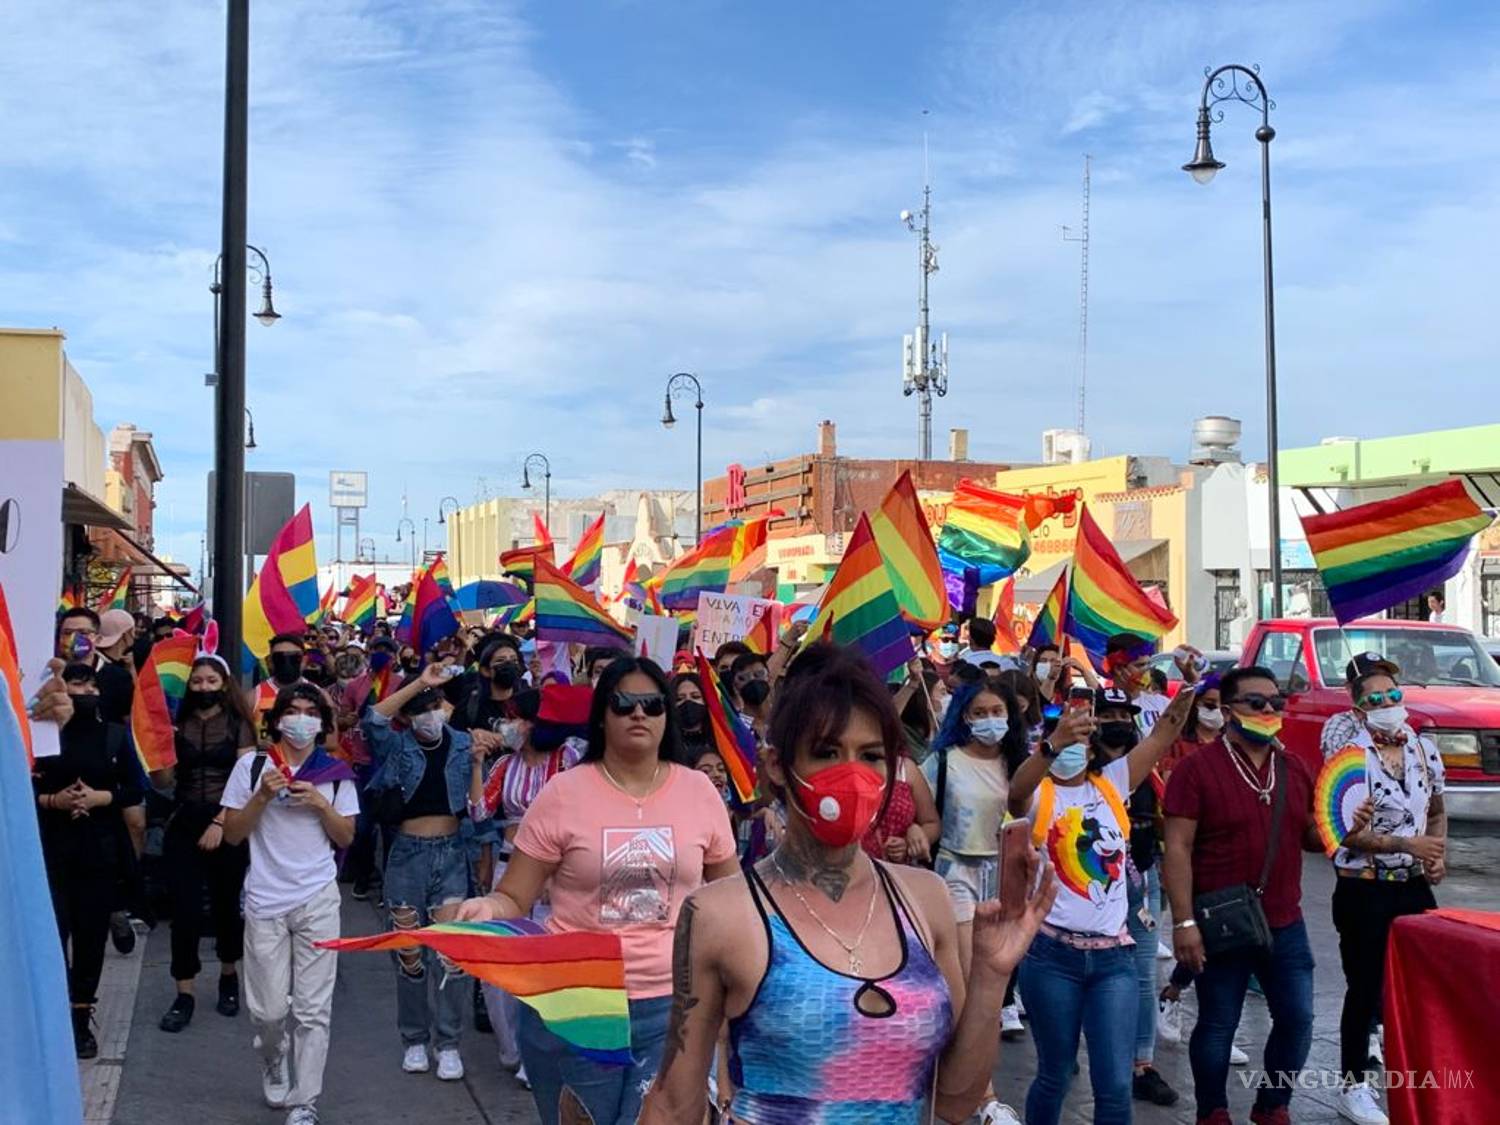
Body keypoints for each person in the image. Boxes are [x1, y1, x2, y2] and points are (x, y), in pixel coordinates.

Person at [638, 642, 1058, 1125]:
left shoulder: (926, 899)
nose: (852, 775)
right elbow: (676, 1100)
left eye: (871, 755)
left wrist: (991, 975)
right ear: (778, 765)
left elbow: (957, 1100)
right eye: (826, 752)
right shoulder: (718, 914)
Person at [455, 656, 739, 1125]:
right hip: (576, 1006)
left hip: (676, 1007)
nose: (638, 714)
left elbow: (729, 900)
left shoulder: (700, 791)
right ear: (602, 715)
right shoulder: (563, 793)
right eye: (623, 703)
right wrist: (484, 908)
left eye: (651, 703)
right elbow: (514, 897)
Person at [1004, 683, 1192, 1125]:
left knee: (1113, 1087)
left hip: (1114, 961)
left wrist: (1183, 701)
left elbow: (1161, 736)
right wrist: (1054, 743)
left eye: (1080, 742)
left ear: (1092, 752)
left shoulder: (1112, 783)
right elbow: (1015, 791)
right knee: (1053, 1075)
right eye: (1064, 742)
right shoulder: (1039, 795)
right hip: (1052, 957)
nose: (1074, 749)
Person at [1163, 666, 1320, 1125]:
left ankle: (1272, 1106)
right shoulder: (1196, 770)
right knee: (1216, 1024)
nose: (1270, 709)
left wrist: (1344, 822)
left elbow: (1309, 836)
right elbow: (1177, 848)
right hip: (1220, 922)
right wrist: (1184, 922)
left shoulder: (1293, 768)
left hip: (1285, 922)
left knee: (1297, 1019)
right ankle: (1213, 1111)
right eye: (1257, 702)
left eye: (1277, 701)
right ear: (1229, 710)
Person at [222, 684, 358, 1125]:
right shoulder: (252, 766)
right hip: (265, 897)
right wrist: (262, 795)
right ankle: (272, 1056)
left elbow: (346, 837)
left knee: (313, 1008)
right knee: (269, 1011)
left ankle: (305, 1101)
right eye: (293, 712)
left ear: (322, 723)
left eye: (310, 713)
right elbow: (233, 834)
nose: (301, 721)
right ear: (277, 719)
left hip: (317, 896)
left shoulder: (334, 772)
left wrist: (320, 804)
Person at [1324, 654, 1445, 1125]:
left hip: (1412, 886)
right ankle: (1353, 1087)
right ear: (1359, 709)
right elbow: (1341, 831)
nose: (1388, 703)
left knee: (1422, 986)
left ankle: (1417, 1077)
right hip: (1364, 887)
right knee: (1364, 988)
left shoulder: (1422, 748)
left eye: (1393, 695)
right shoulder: (1350, 757)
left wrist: (1436, 853)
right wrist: (1403, 843)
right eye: (1376, 698)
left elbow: (1435, 808)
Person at [364, 664, 488, 1081]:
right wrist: (420, 683)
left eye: (435, 706)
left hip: (452, 854)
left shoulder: (463, 744)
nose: (429, 714)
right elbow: (373, 719)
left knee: (452, 955)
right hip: (407, 856)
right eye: (420, 709)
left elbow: (479, 809)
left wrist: (475, 765)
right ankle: (415, 1039)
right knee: (409, 954)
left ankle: (448, 1043)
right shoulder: (396, 746)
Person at [468, 682, 589, 1087]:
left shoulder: (567, 759)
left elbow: (578, 813)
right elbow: (480, 811)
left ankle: (540, 1053)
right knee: (497, 966)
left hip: (555, 874)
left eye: (518, 718)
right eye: (508, 719)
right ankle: (512, 1048)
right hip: (508, 868)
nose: (509, 725)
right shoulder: (505, 766)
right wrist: (476, 763)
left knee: (544, 966)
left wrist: (555, 872)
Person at [33, 663, 141, 1059]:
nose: (84, 690)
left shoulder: (113, 736)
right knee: (53, 935)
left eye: (91, 683)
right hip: (52, 849)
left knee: (91, 936)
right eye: (76, 683)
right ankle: (53, 1017)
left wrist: (100, 798)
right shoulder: (42, 736)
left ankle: (81, 1017)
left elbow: (134, 787)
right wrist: (53, 801)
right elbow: (22, 788)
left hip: (99, 849)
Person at [155, 655, 258, 1033]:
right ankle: (184, 993)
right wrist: (159, 746)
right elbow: (163, 781)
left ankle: (228, 976)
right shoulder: (177, 723)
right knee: (183, 912)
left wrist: (220, 821)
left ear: (224, 683)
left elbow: (248, 780)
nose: (203, 687)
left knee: (226, 906)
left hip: (227, 823)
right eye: (196, 681)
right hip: (183, 822)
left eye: (210, 681)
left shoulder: (238, 725)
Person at [671, 672, 709, 757]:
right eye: (679, 699)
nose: (688, 701)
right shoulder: (665, 744)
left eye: (695, 697)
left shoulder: (721, 739)